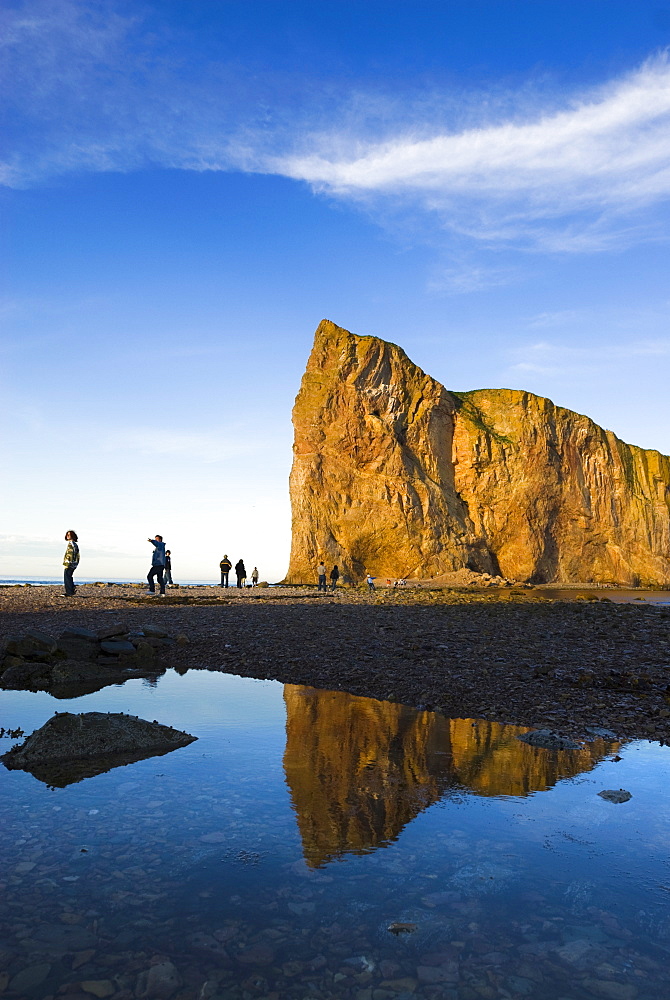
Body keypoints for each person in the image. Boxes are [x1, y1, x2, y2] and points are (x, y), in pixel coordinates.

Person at [62, 530, 80, 597]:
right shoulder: (72, 544)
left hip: (70, 563)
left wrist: (69, 562)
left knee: (67, 576)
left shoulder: (72, 544)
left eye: (69, 535)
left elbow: (72, 554)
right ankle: (71, 590)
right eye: (67, 535)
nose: (67, 536)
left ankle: (69, 592)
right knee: (68, 576)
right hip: (71, 563)